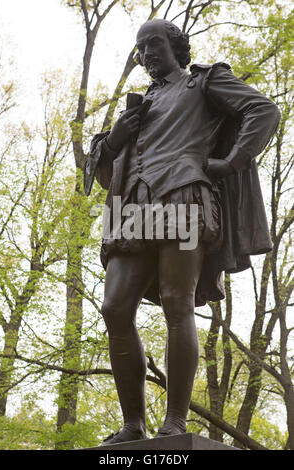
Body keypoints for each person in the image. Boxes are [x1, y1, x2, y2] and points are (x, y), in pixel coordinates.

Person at [84, 19, 280, 445]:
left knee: (178, 301)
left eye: (153, 43)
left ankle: (174, 421)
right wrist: (115, 139)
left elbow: (263, 110)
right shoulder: (136, 106)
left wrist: (231, 161)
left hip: (183, 200)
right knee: (115, 308)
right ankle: (133, 423)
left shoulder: (203, 83)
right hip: (132, 209)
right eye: (139, 49)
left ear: (175, 44)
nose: (146, 53)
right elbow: (101, 173)